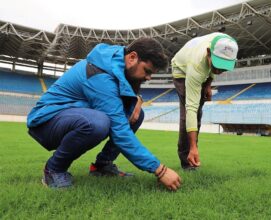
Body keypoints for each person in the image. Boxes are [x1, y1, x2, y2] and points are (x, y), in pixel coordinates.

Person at [27, 38, 181, 190]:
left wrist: (137, 99)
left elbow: (125, 97)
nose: (148, 77)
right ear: (132, 57)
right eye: (147, 71)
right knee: (98, 123)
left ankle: (102, 166)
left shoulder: (115, 63)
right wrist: (160, 170)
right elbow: (120, 131)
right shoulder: (100, 75)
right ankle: (53, 169)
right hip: (45, 122)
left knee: (136, 114)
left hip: (69, 116)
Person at [171, 32, 239, 170]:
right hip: (181, 70)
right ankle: (187, 160)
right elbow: (191, 108)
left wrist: (208, 84)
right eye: (217, 65)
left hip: (201, 69)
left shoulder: (228, 44)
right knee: (189, 114)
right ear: (209, 52)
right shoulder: (196, 65)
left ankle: (192, 153)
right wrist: (193, 146)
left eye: (224, 67)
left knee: (198, 114)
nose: (219, 70)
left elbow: (212, 70)